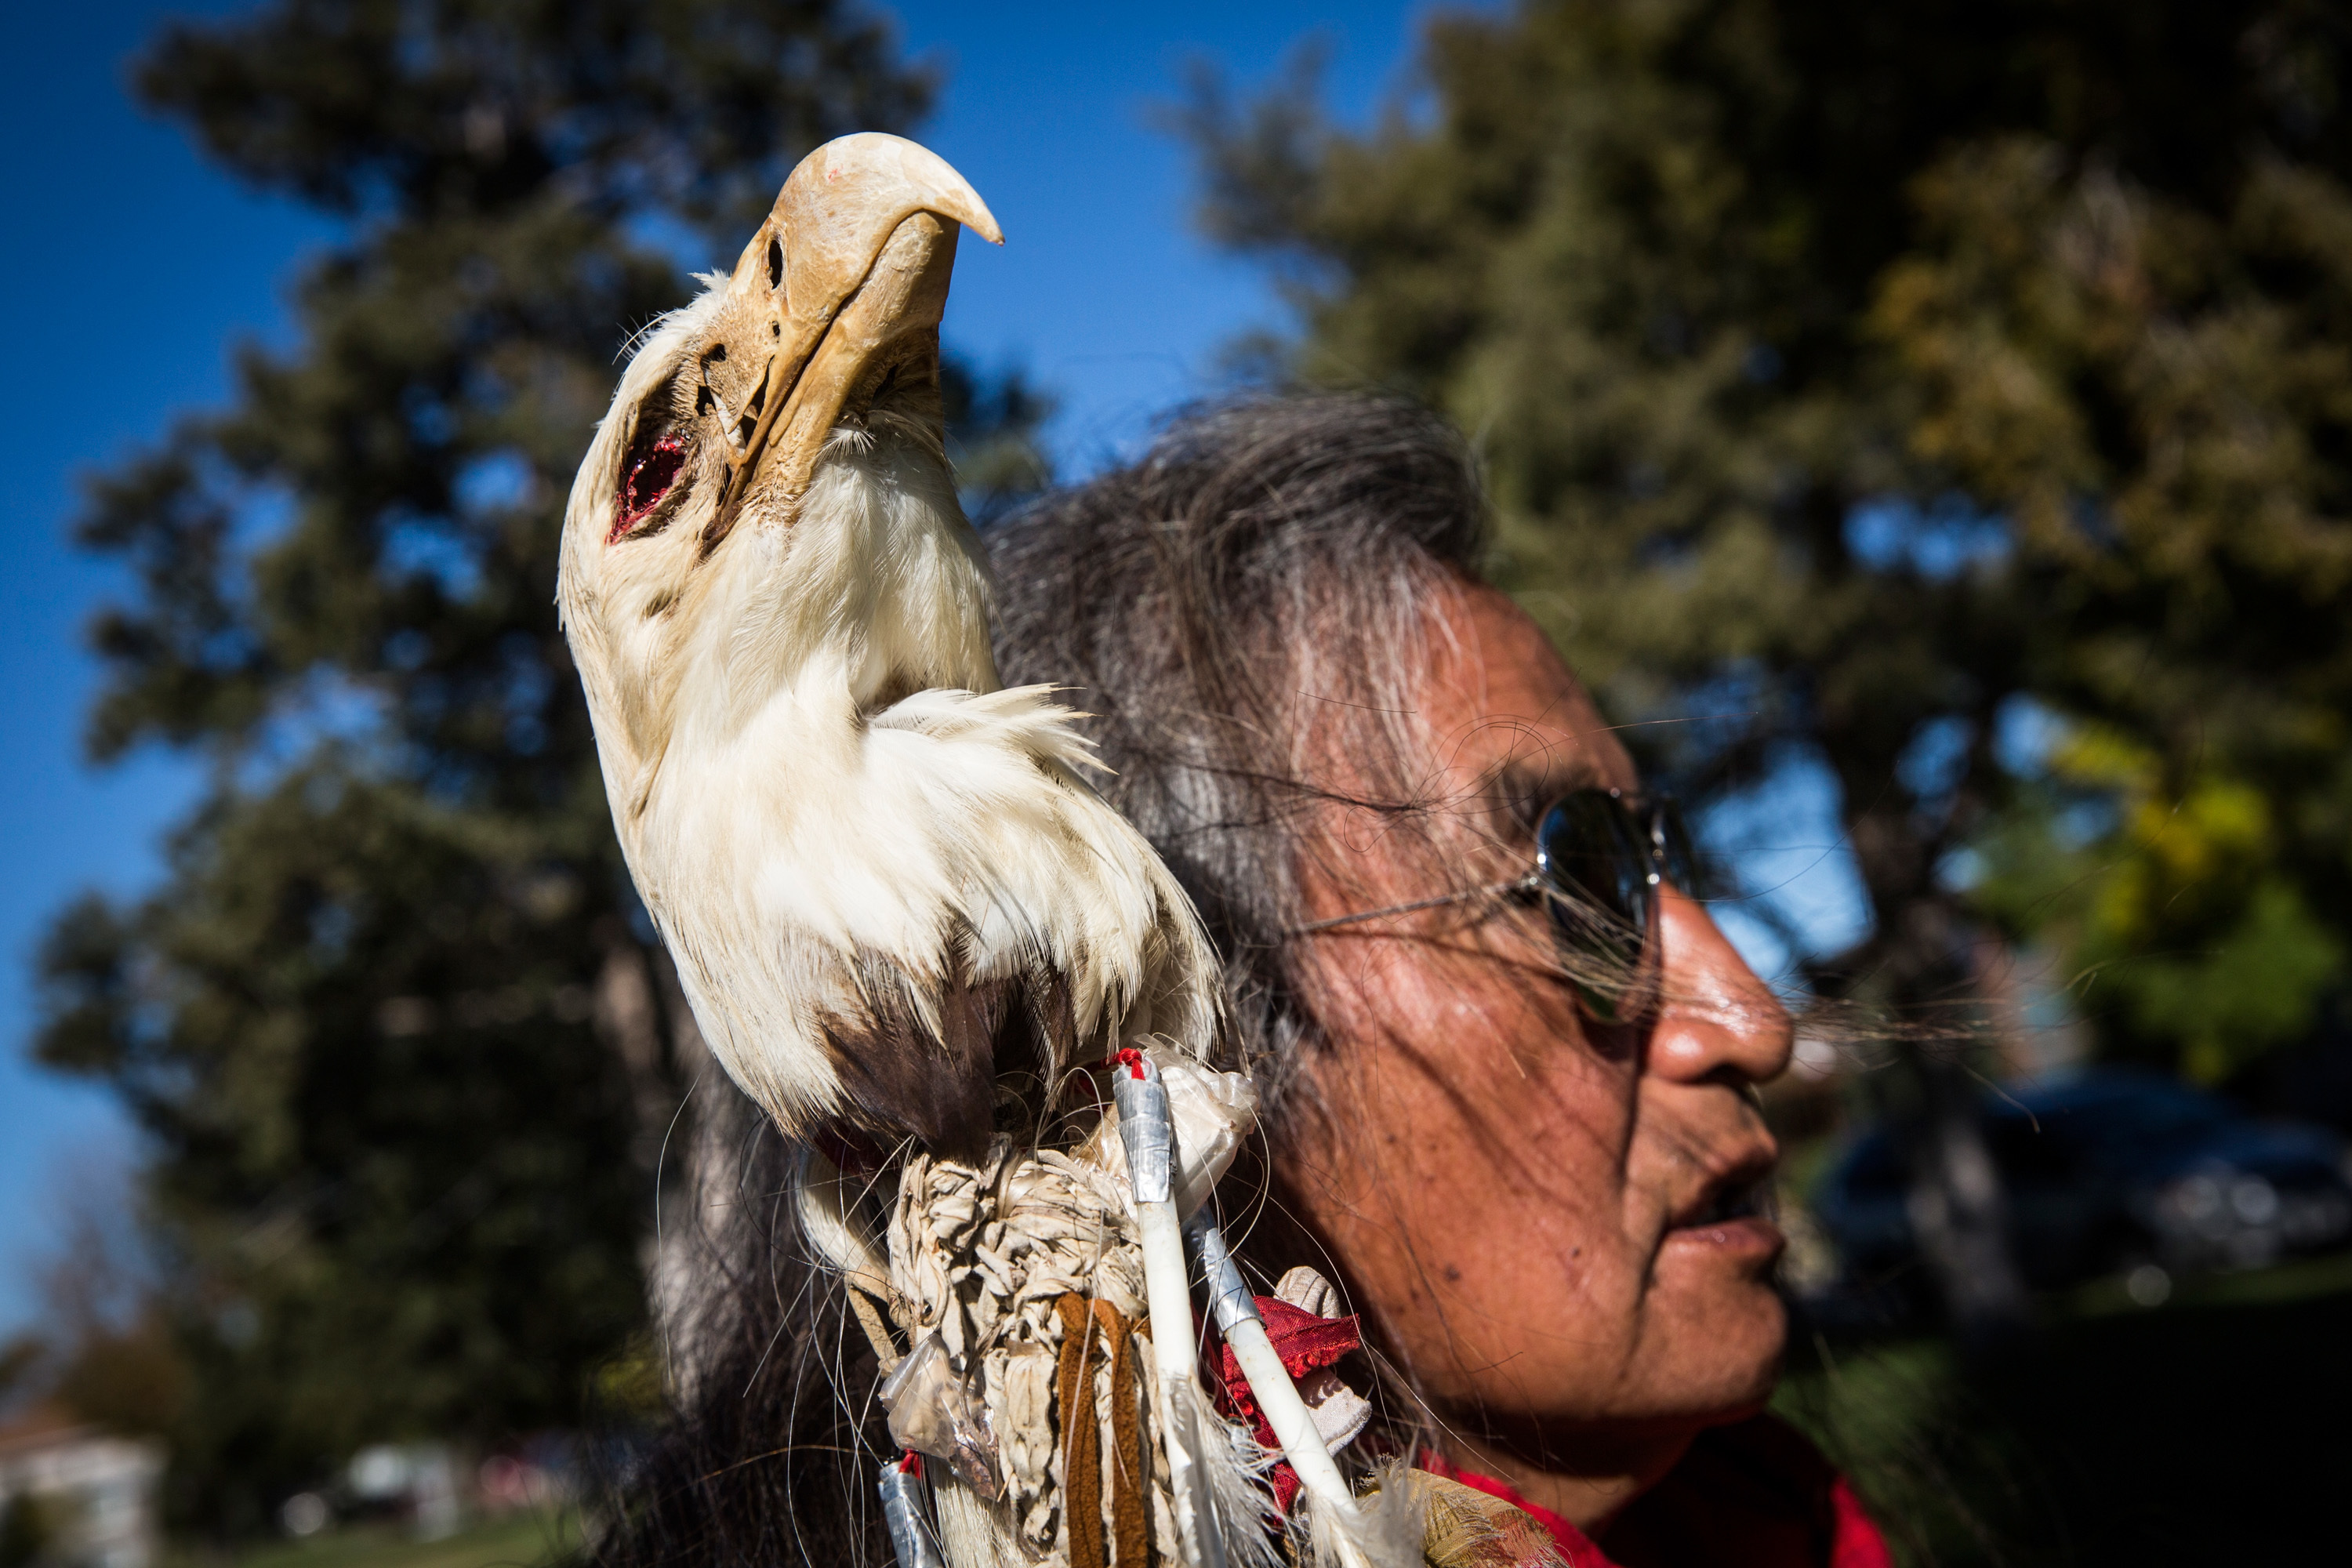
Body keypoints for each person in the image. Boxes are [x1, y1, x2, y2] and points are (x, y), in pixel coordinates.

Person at [591, 396, 1889, 1568]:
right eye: (1577, 878)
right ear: (1158, 1055)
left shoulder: (1776, 1527)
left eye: (1649, 860)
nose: (1749, 1022)